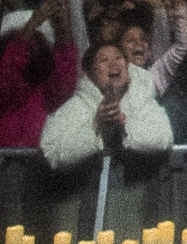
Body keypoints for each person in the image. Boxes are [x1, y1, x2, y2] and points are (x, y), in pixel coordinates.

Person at [39, 41, 174, 170]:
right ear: (89, 72)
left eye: (118, 58)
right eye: (104, 60)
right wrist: (97, 127)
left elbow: (164, 139)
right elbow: (51, 151)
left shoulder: (143, 100)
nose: (113, 64)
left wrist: (124, 126)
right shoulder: (75, 107)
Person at [0, 0, 78, 145]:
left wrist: (62, 30)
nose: (31, 43)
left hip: (39, 157)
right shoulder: (6, 84)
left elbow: (64, 79)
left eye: (37, 38)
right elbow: (8, 77)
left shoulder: (46, 91)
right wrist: (31, 26)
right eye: (25, 38)